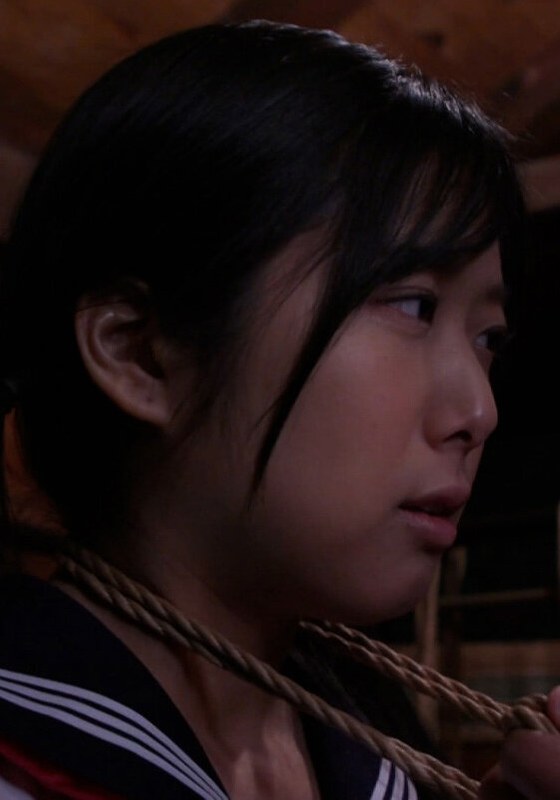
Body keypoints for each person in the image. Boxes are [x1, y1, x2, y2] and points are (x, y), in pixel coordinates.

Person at [0, 18, 556, 800]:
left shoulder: (375, 756)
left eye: (488, 336)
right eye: (413, 305)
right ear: (140, 354)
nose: (480, 410)